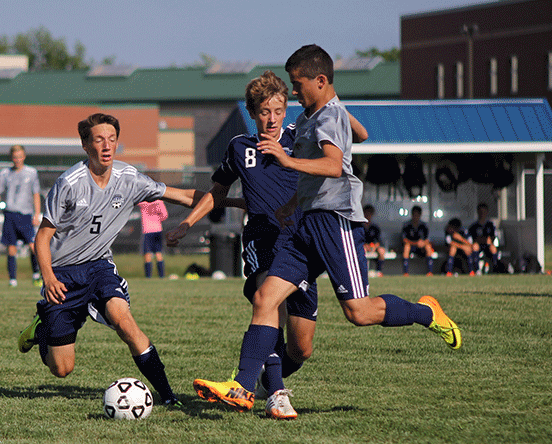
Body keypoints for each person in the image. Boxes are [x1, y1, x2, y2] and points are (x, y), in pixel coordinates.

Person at [192, 44, 462, 415]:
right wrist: (291, 204)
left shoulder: (327, 116)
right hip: (304, 224)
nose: (295, 91)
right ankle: (241, 387)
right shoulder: (314, 115)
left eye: (298, 84)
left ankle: (426, 312)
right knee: (265, 299)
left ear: (320, 81)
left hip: (335, 223)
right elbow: (362, 135)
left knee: (359, 312)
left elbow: (334, 166)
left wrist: (289, 156)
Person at [167, 70, 368, 419]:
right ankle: (276, 394)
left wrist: (330, 102)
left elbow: (358, 136)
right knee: (267, 303)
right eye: (263, 112)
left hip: (301, 241)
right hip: (261, 239)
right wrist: (186, 224)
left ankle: (263, 380)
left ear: (286, 109)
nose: (271, 119)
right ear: (252, 112)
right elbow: (217, 193)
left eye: (277, 110)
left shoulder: (302, 137)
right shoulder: (239, 148)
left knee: (301, 349)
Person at [17, 113, 201, 406]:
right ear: (85, 145)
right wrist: (49, 278)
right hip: (63, 274)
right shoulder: (69, 183)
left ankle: (167, 396)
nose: (107, 145)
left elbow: (182, 195)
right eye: (99, 139)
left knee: (124, 321)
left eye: (112, 139)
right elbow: (42, 238)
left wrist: (231, 200)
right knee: (62, 369)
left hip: (100, 267)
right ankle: (43, 329)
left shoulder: (129, 178)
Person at [0, 145, 42, 287]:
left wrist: (37, 214)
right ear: (11, 158)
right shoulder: (4, 174)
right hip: (10, 215)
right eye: (15, 157)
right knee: (11, 248)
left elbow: (36, 194)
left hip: (26, 215)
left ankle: (36, 274)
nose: (17, 160)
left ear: (24, 157)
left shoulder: (31, 173)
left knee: (33, 246)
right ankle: (12, 280)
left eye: (20, 157)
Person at [401, 205, 435, 276]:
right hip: (411, 247)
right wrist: (416, 243)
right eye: (414, 214)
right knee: (406, 247)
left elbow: (428, 239)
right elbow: (404, 240)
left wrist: (423, 243)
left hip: (421, 248)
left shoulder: (424, 226)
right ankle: (406, 273)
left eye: (417, 214)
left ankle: (430, 272)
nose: (415, 216)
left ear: (420, 215)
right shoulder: (407, 225)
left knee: (428, 247)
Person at [140, 199, 168, 278]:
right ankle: (161, 276)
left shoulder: (143, 202)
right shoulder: (159, 202)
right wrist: (157, 218)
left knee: (147, 254)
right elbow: (164, 215)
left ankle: (148, 276)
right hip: (157, 229)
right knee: (158, 253)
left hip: (147, 230)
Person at [468, 202, 498, 273]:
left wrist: (489, 241)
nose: (482, 214)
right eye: (480, 212)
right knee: (475, 246)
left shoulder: (490, 225)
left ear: (487, 212)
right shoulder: (474, 226)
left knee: (493, 248)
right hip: (479, 246)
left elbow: (493, 237)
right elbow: (473, 239)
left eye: (484, 212)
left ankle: (495, 269)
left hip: (488, 245)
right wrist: (483, 240)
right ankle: (477, 270)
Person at [362, 204, 386, 277]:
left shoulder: (375, 227)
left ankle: (379, 271)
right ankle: (362, 271)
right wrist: (365, 245)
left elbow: (378, 241)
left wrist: (375, 246)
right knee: (362, 249)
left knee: (381, 251)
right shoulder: (359, 226)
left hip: (373, 247)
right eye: (366, 213)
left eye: (369, 213)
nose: (368, 215)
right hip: (364, 247)